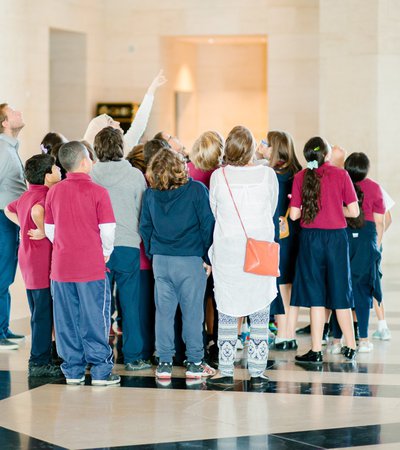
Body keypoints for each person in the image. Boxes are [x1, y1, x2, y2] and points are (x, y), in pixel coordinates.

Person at [206, 125, 278, 389]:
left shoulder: (218, 177)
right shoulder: (267, 175)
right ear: (250, 149)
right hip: (259, 248)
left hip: (228, 250)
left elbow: (214, 210)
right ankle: (257, 370)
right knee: (260, 308)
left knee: (226, 307)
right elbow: (271, 208)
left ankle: (225, 368)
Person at [45, 141, 119, 386]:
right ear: (85, 161)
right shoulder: (99, 192)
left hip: (61, 268)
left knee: (66, 320)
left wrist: (67, 245)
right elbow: (107, 230)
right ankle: (100, 371)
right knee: (95, 318)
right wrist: (105, 252)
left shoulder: (54, 192)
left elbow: (50, 230)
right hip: (91, 267)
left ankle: (73, 371)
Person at [140, 149, 216, 380]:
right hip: (191, 260)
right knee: (193, 314)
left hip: (162, 261)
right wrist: (207, 258)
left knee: (163, 313)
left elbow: (145, 227)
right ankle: (194, 362)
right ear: (179, 167)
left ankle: (164, 362)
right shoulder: (196, 191)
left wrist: (154, 254)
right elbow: (208, 226)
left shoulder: (151, 194)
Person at [290, 136, 359, 363]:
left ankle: (316, 349)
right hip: (337, 239)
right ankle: (350, 345)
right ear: (327, 154)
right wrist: (335, 211)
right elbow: (355, 212)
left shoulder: (301, 176)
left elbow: (294, 215)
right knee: (341, 292)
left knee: (316, 296)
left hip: (311, 240)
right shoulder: (341, 174)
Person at [91, 127, 148, 371]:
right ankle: (134, 356)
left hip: (97, 247)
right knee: (130, 303)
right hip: (127, 244)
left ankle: (99, 354)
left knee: (100, 305)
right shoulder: (135, 175)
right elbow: (143, 210)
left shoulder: (91, 174)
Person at [5, 154, 62, 376]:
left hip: (28, 261)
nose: (59, 169)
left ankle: (47, 355)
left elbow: (9, 210)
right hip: (42, 264)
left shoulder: (27, 194)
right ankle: (38, 361)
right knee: (43, 314)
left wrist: (23, 224)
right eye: (55, 167)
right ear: (48, 176)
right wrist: (43, 230)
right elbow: (38, 211)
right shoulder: (46, 196)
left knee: (39, 311)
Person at [330, 152, 385, 353]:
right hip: (366, 240)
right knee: (362, 291)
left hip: (342, 236)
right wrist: (376, 246)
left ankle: (336, 341)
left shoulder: (340, 182)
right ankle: (363, 340)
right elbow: (380, 222)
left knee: (340, 288)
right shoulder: (375, 187)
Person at [258, 131, 302, 351]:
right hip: (296, 233)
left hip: (277, 234)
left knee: (281, 284)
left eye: (266, 143)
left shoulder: (270, 173)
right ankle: (289, 333)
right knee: (290, 285)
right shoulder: (298, 171)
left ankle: (284, 335)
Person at [83, 70, 167, 152]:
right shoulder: (93, 163)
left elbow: (139, 124)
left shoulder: (124, 147)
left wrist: (151, 90)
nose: (118, 122)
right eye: (111, 122)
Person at [0, 103, 27, 350]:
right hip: (2, 219)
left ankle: (3, 328)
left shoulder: (11, 148)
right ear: (5, 122)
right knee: (1, 275)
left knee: (5, 276)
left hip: (9, 219)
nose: (20, 113)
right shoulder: (1, 149)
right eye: (14, 112)